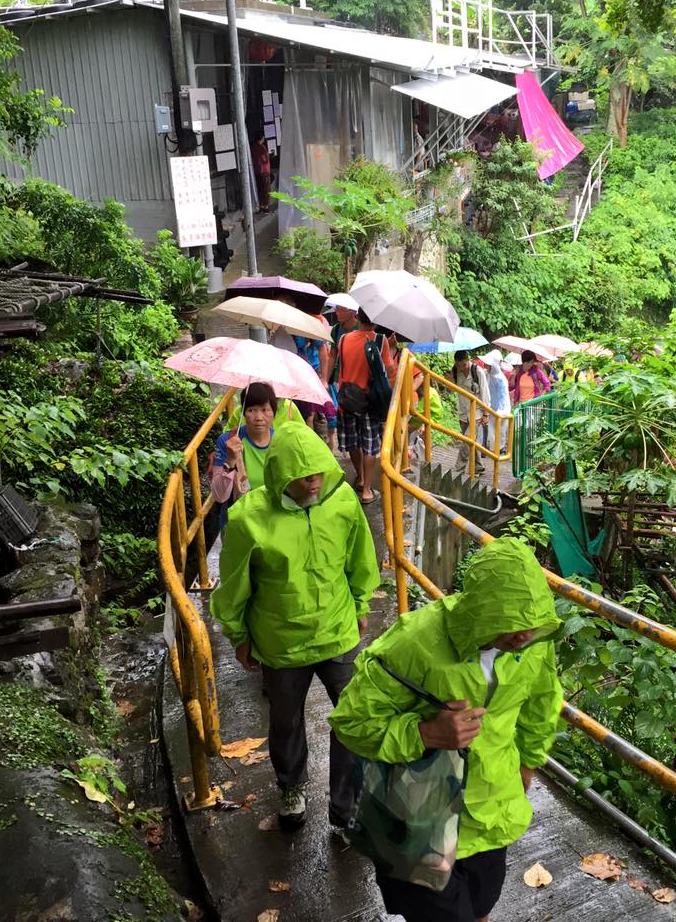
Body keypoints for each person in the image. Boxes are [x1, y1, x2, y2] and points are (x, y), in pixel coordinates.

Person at [329, 537, 563, 922]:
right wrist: (424, 733)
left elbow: (542, 703)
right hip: (418, 815)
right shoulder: (415, 642)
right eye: (513, 622)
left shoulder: (535, 643)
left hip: (491, 812)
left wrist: (528, 764)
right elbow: (351, 722)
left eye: (533, 622)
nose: (525, 635)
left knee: (481, 906)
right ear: (482, 609)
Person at [211, 421, 380, 830]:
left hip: (337, 630)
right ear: (282, 475)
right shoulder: (249, 518)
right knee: (286, 721)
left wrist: (360, 604)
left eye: (318, 472)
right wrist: (239, 636)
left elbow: (360, 557)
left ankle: (345, 806)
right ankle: (291, 787)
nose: (314, 482)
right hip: (281, 642)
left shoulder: (341, 501)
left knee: (353, 716)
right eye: (304, 476)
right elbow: (234, 584)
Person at [336, 308, 395, 505]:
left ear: (358, 318)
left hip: (347, 399)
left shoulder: (343, 339)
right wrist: (391, 350)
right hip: (369, 401)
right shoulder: (380, 340)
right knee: (370, 446)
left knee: (353, 442)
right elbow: (387, 370)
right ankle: (367, 490)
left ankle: (360, 478)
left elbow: (342, 367)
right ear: (375, 320)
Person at [211, 382, 278, 526]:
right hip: (237, 524)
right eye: (251, 410)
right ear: (243, 413)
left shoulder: (281, 442)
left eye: (265, 410)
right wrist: (230, 460)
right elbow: (219, 496)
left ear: (274, 412)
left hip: (272, 522)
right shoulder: (228, 441)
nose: (259, 417)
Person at [449, 350, 491, 475]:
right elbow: (452, 389)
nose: (462, 368)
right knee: (471, 441)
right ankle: (479, 466)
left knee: (467, 440)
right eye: (459, 365)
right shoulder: (455, 371)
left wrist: (486, 414)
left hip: (476, 411)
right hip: (463, 411)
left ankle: (458, 469)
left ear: (468, 361)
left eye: (464, 365)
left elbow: (485, 393)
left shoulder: (477, 371)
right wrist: (449, 380)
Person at [481, 351, 511, 456]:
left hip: (501, 409)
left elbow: (503, 397)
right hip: (490, 407)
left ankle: (501, 449)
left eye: (488, 364)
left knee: (501, 429)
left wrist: (501, 411)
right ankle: (490, 448)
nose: (485, 366)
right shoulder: (487, 375)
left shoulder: (501, 379)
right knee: (490, 429)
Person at [251, 134, 272, 213]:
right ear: (261, 138)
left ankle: (261, 206)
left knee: (260, 189)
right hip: (264, 170)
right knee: (266, 189)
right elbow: (264, 160)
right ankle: (265, 206)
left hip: (257, 171)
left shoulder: (253, 147)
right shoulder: (262, 147)